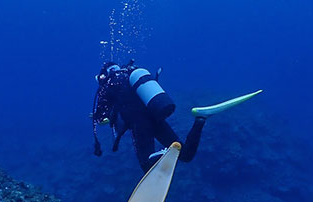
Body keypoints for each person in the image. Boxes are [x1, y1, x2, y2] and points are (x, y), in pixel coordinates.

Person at [91, 60, 261, 173]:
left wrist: (100, 118)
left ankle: (162, 155)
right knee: (185, 155)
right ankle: (200, 120)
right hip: (155, 117)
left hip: (138, 124)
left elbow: (101, 116)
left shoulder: (109, 85)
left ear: (103, 74)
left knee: (147, 167)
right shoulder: (130, 75)